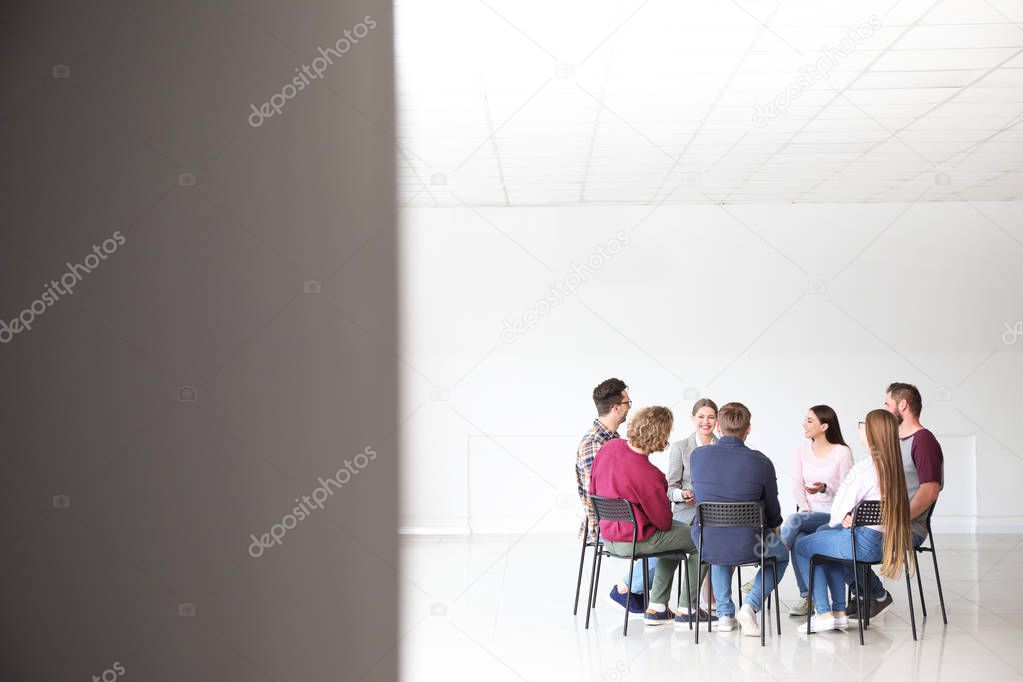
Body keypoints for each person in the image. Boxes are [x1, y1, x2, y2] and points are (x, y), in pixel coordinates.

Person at [793, 409, 914, 632]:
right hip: (885, 542)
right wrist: (851, 516)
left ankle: (824, 613)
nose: (859, 428)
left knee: (802, 546)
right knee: (823, 533)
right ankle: (839, 612)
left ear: (871, 433)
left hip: (863, 544)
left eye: (862, 424)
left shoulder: (866, 467)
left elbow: (838, 511)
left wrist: (847, 516)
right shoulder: (895, 467)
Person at [589, 406, 704, 626]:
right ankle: (687, 608)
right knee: (702, 538)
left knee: (679, 534)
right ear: (662, 437)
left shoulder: (610, 447)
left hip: (606, 535)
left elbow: (593, 487)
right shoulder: (651, 476)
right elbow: (663, 522)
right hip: (632, 541)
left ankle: (658, 607)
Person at [690, 402, 787, 637]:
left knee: (718, 548)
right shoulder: (761, 461)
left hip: (707, 539)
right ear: (748, 429)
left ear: (719, 428)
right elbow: (773, 509)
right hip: (749, 541)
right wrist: (775, 529)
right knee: (782, 554)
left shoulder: (697, 456)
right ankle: (750, 605)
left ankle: (724, 614)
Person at [848, 382, 944, 620]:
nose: (884, 409)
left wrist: (894, 519)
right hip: (880, 520)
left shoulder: (923, 441)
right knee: (822, 529)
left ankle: (873, 594)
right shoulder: (893, 442)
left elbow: (930, 491)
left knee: (840, 540)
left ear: (902, 405)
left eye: (887, 404)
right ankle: (865, 595)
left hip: (907, 527)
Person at [575, 378, 653, 612]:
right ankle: (627, 590)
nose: (630, 407)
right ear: (616, 407)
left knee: (664, 526)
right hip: (606, 526)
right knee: (666, 533)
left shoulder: (617, 442)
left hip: (623, 519)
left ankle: (642, 595)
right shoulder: (594, 445)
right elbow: (596, 498)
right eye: (628, 402)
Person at [780, 406, 853, 617]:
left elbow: (848, 491)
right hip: (809, 514)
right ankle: (809, 598)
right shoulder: (802, 451)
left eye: (810, 421)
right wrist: (805, 509)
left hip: (835, 515)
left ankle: (774, 555)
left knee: (794, 522)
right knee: (800, 535)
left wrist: (824, 488)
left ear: (824, 426)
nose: (804, 424)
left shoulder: (842, 452)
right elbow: (797, 486)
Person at [667, 398, 719, 618]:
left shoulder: (722, 447)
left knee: (714, 545)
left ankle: (709, 601)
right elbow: (670, 487)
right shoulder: (680, 447)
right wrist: (682, 494)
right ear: (692, 418)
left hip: (715, 516)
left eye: (711, 417)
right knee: (667, 553)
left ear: (717, 420)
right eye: (701, 417)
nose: (706, 422)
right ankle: (637, 590)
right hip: (685, 514)